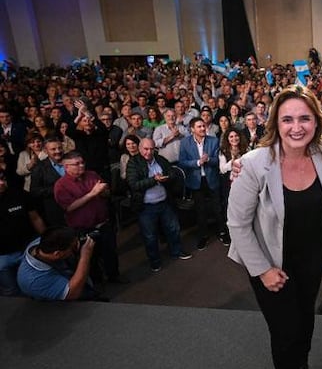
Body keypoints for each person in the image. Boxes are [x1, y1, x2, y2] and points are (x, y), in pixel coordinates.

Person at [227, 85, 322, 369]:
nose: (296, 127)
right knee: (285, 331)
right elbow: (237, 224)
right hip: (271, 263)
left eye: (304, 118)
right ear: (275, 122)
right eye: (287, 119)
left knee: (305, 322)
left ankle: (300, 366)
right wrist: (262, 271)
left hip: (311, 259)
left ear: (316, 121)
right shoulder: (255, 164)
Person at [54, 151, 125, 284]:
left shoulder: (92, 174)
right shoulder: (61, 185)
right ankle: (96, 283)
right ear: (66, 167)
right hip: (83, 229)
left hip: (103, 223)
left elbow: (106, 193)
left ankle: (114, 276)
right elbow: (69, 207)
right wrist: (92, 193)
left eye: (82, 162)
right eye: (77, 164)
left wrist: (104, 192)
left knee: (110, 252)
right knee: (90, 258)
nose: (81, 166)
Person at [126, 138, 192, 272]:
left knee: (173, 229)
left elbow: (172, 172)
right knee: (150, 236)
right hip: (146, 206)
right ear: (139, 149)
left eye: (151, 149)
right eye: (145, 149)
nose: (149, 152)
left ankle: (177, 251)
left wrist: (167, 177)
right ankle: (155, 261)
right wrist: (154, 180)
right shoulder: (133, 162)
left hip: (164, 202)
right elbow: (133, 185)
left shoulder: (160, 159)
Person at [178, 117, 229, 250]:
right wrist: (197, 162)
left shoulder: (214, 140)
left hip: (212, 179)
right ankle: (203, 236)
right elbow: (182, 162)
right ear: (192, 129)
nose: (202, 128)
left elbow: (218, 161)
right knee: (200, 211)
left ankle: (223, 233)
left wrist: (208, 160)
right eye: (199, 126)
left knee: (218, 208)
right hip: (196, 182)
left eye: (204, 126)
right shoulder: (184, 143)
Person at [16, 226, 101, 301]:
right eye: (73, 247)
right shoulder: (35, 279)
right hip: (58, 305)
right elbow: (72, 293)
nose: (76, 248)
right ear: (57, 254)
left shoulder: (43, 243)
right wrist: (85, 256)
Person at [1, 173, 45, 295]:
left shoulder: (19, 195)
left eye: (2, 179)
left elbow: (35, 218)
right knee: (10, 292)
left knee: (36, 284)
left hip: (27, 249)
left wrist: (46, 238)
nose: (1, 183)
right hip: (2, 258)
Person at [30, 137, 67, 227]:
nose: (58, 151)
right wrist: (56, 189)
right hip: (56, 212)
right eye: (53, 149)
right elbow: (34, 191)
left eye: (60, 148)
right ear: (46, 151)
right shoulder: (39, 168)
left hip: (78, 207)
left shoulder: (72, 162)